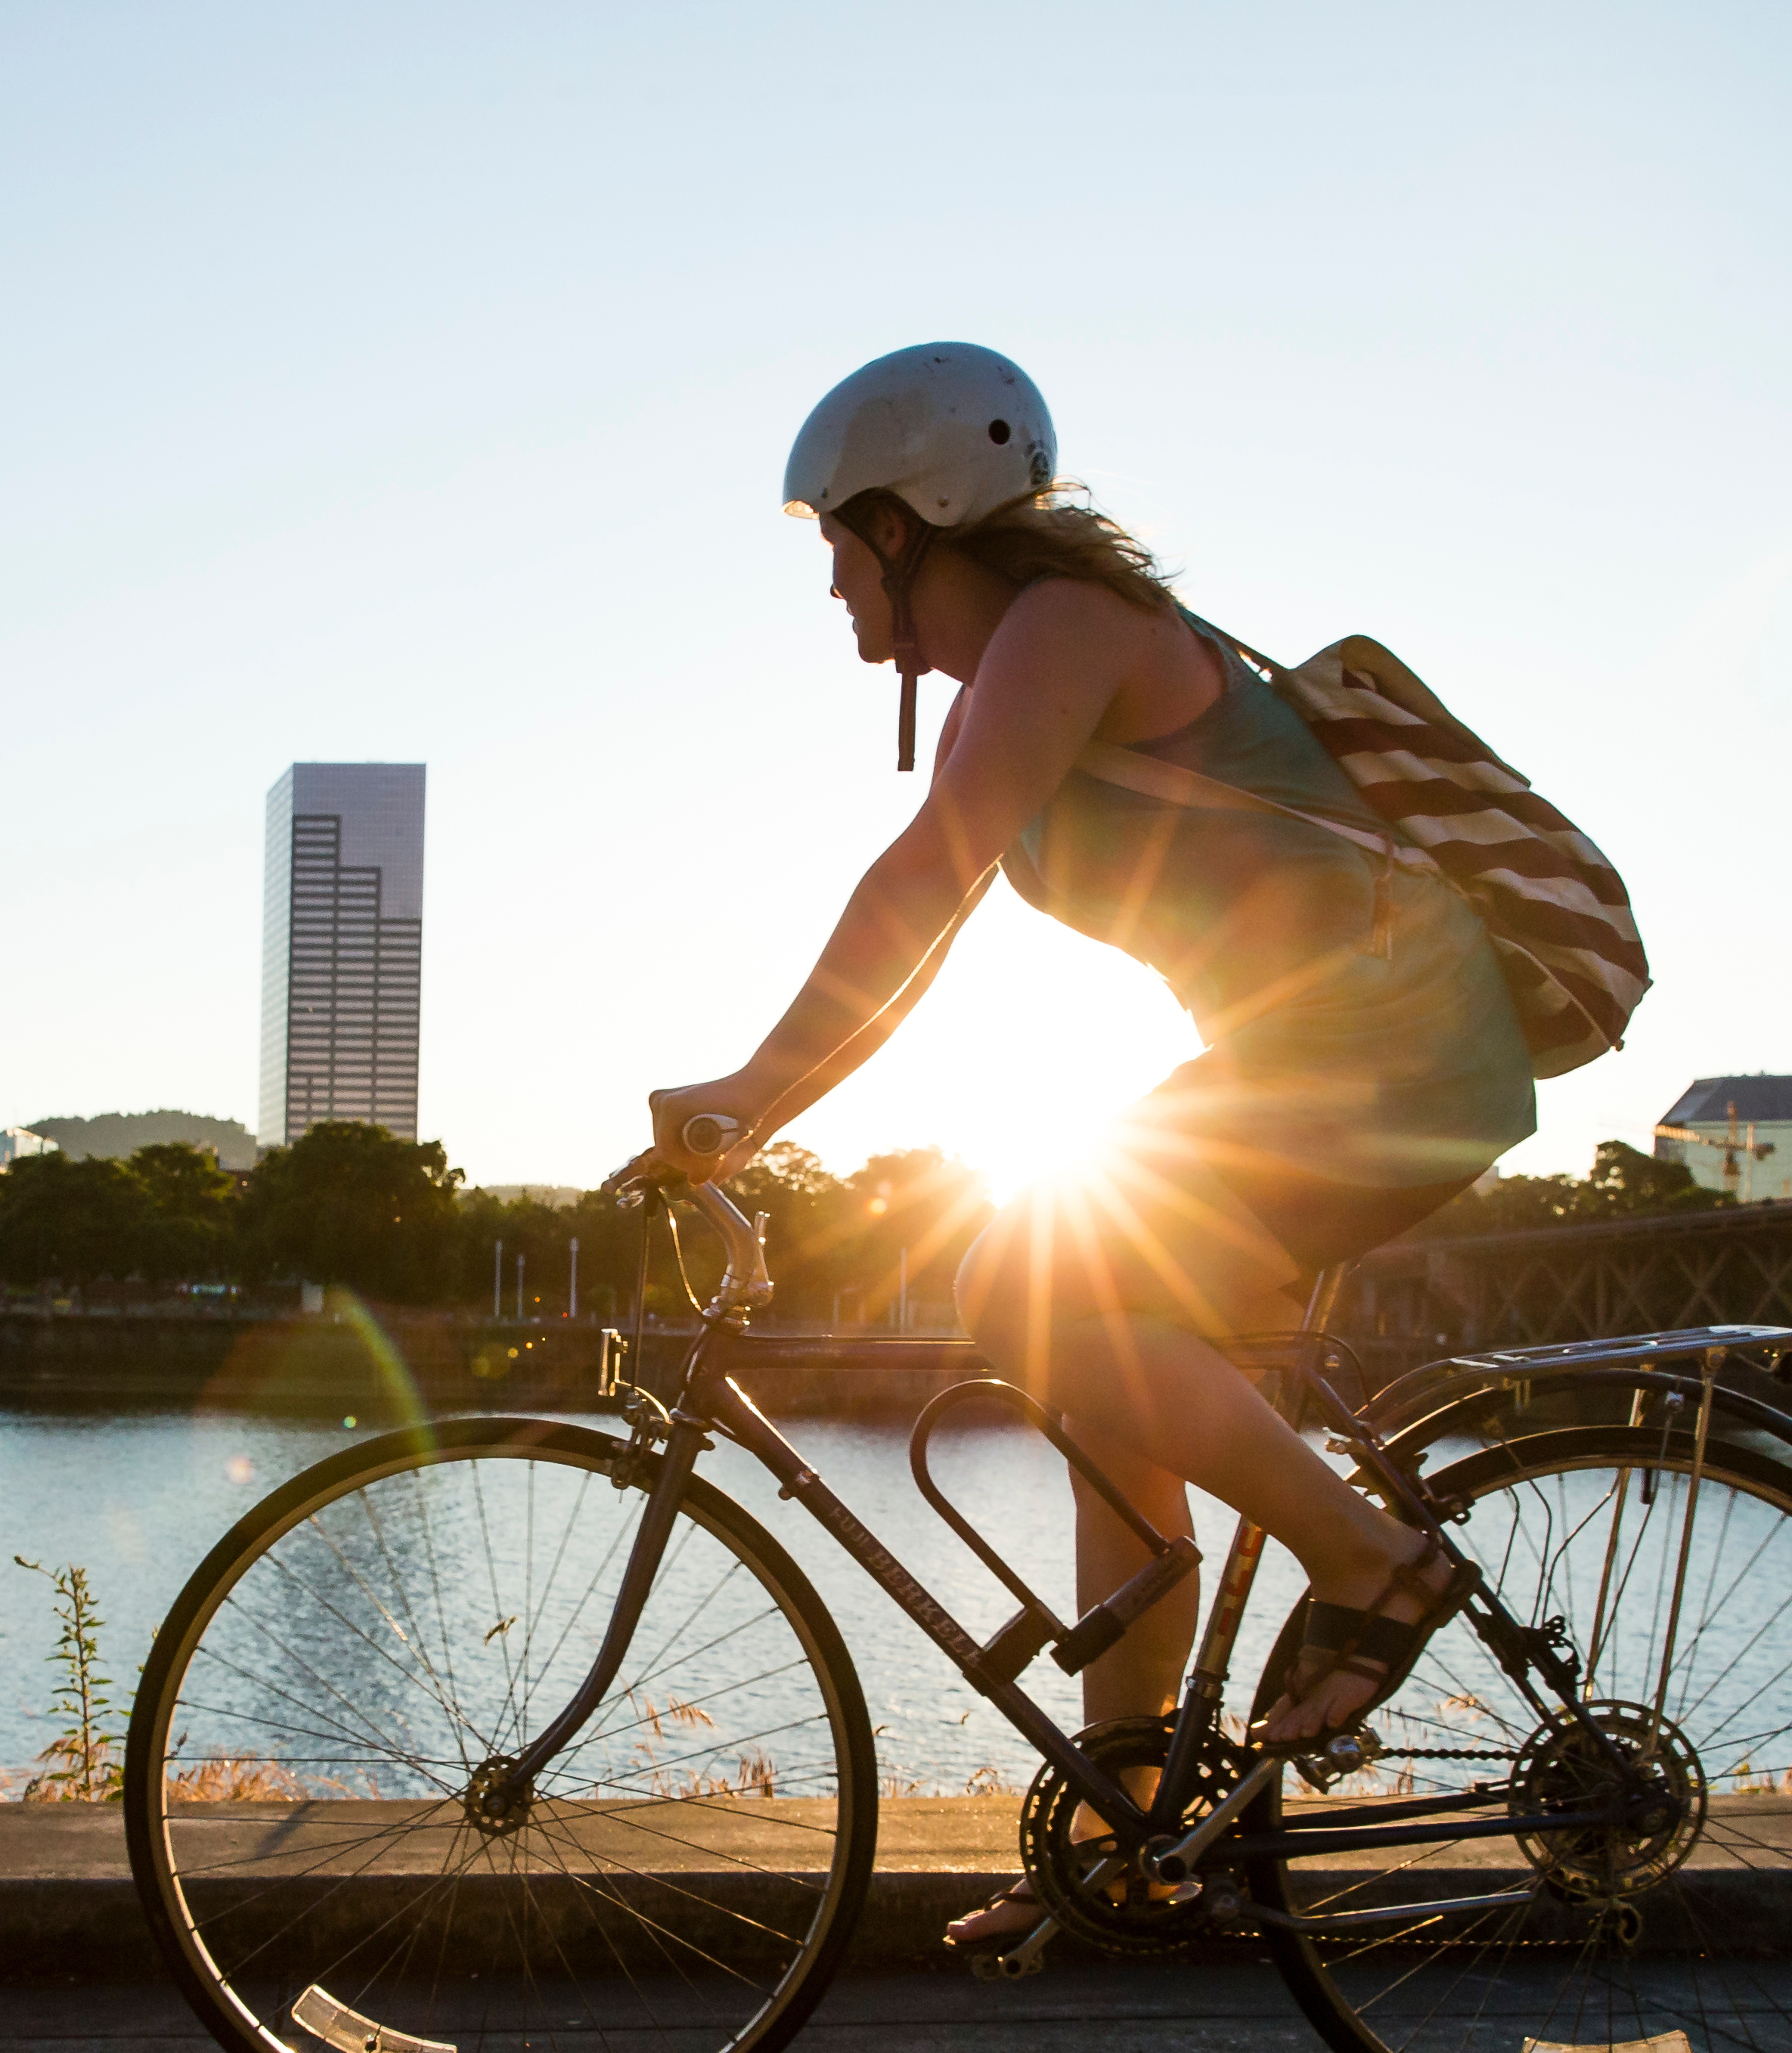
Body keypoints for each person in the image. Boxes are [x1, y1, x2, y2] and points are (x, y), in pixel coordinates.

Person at [628, 343, 1540, 1949]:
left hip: (1388, 1047)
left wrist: (748, 1098)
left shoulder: (1069, 630)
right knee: (1100, 1374)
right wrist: (764, 1100)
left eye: (843, 539)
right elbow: (929, 934)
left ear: (919, 520)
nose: (834, 581)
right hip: (1307, 1055)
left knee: (1021, 1272)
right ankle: (1135, 1836)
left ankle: (1376, 1565)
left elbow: (923, 881)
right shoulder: (1018, 674)